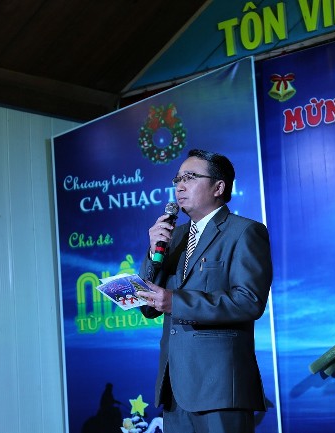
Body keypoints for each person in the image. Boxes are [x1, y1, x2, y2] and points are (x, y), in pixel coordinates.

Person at [138, 148, 273, 433]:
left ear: (218, 187)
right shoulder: (173, 236)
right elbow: (148, 307)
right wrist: (152, 253)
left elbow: (249, 301)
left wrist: (176, 302)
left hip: (220, 387)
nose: (180, 186)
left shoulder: (244, 232)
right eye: (177, 179)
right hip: (174, 389)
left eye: (189, 177)